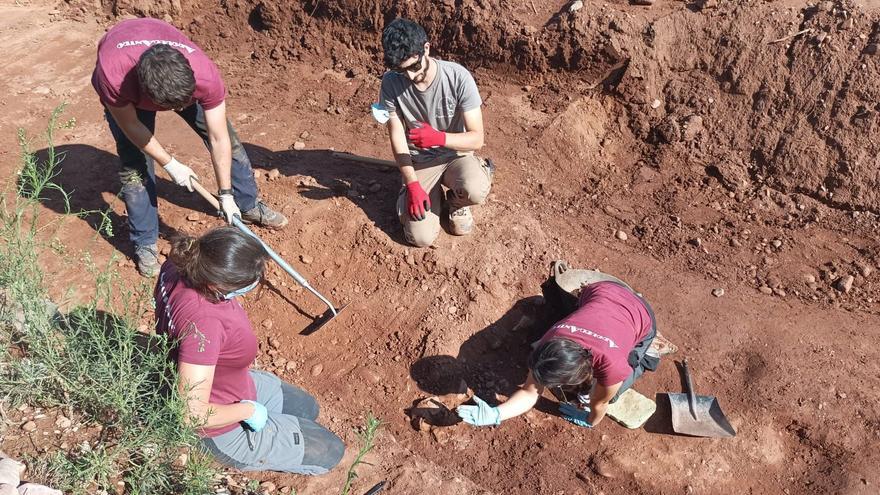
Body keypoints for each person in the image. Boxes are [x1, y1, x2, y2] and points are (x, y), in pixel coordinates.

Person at [92, 18, 288, 277]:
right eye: (170, 106)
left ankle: (247, 203)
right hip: (129, 87)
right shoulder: (113, 77)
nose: (174, 111)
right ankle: (145, 242)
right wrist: (170, 163)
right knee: (135, 167)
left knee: (232, 140)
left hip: (175, 78)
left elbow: (219, 138)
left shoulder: (203, 73)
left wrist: (226, 194)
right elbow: (131, 126)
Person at [154, 226, 343, 474]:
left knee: (307, 408)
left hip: (230, 381)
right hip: (219, 426)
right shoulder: (205, 325)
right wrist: (248, 410)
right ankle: (218, 449)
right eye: (249, 281)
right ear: (215, 285)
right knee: (330, 451)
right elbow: (191, 413)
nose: (256, 282)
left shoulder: (179, 264)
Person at [457, 277, 666, 429]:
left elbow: (600, 404)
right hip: (600, 290)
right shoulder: (553, 338)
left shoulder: (612, 366)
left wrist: (589, 420)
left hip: (641, 314)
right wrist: (497, 413)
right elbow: (531, 392)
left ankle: (650, 355)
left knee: (616, 386)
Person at [378, 18, 494, 247]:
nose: (410, 76)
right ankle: (430, 195)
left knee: (476, 189)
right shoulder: (390, 83)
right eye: (402, 71)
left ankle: (456, 204)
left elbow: (477, 138)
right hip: (421, 162)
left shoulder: (458, 77)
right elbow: (397, 136)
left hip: (456, 157)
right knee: (420, 237)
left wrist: (440, 138)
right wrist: (411, 183)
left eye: (413, 66)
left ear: (426, 48)